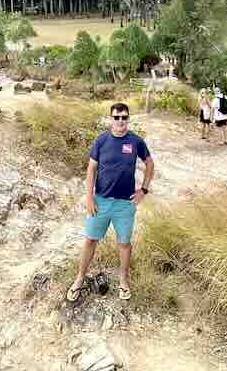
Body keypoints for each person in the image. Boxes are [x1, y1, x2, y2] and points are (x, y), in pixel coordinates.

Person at [67, 102, 154, 303]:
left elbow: (149, 163)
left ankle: (123, 280)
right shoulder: (101, 140)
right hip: (101, 202)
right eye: (117, 117)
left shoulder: (136, 141)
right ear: (110, 119)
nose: (120, 121)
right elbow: (91, 170)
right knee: (90, 240)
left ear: (128, 119)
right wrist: (89, 197)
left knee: (124, 244)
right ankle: (80, 278)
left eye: (124, 117)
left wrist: (144, 190)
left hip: (125, 204)